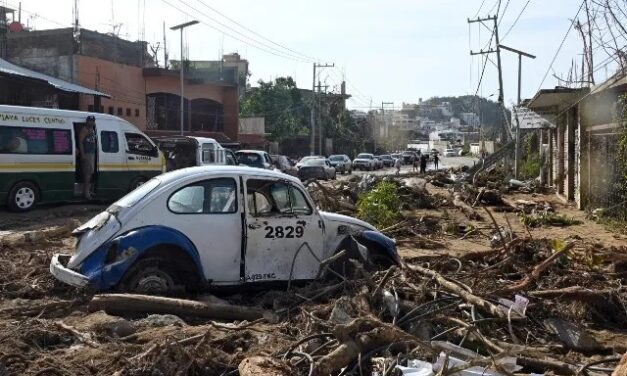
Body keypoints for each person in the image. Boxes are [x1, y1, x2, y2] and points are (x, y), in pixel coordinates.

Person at [78, 115, 97, 199]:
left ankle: (88, 191)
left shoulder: (93, 130)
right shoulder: (84, 130)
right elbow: (80, 142)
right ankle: (86, 192)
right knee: (87, 174)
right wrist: (83, 154)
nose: (92, 122)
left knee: (90, 173)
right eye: (90, 121)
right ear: (87, 121)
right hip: (87, 154)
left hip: (92, 154)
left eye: (93, 121)